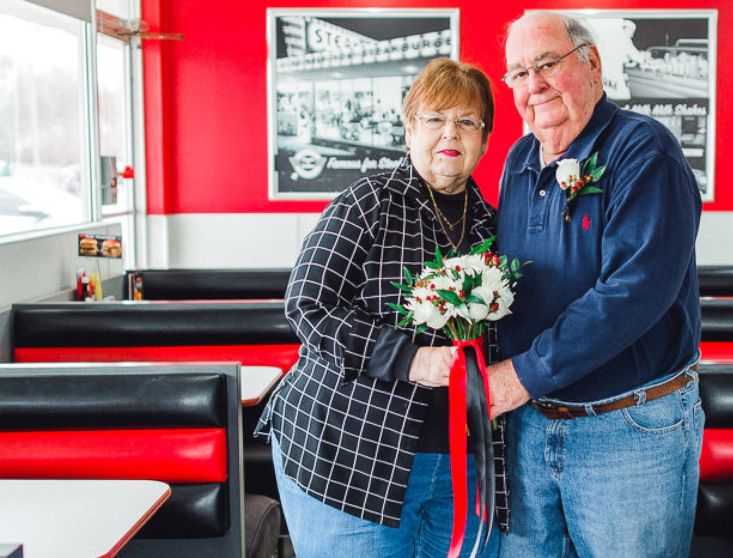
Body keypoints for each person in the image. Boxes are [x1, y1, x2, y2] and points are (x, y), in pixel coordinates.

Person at [256, 58, 506, 558]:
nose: (449, 133)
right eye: (434, 118)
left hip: (462, 462)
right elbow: (307, 305)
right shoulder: (366, 203)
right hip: (352, 452)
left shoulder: (494, 225)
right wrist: (411, 359)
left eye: (467, 121)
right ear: (410, 126)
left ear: (484, 136)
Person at [487, 12, 704, 558]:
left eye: (546, 64)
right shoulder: (517, 161)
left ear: (592, 65)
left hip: (628, 430)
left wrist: (518, 377)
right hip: (530, 427)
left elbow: (634, 290)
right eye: (518, 73)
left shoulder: (643, 150)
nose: (532, 85)